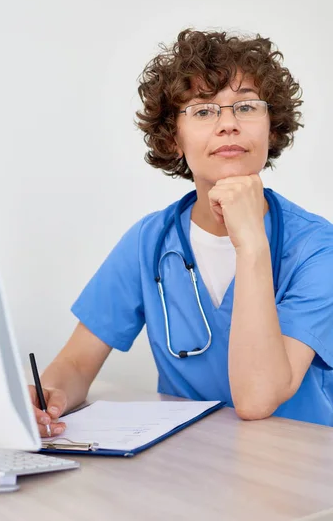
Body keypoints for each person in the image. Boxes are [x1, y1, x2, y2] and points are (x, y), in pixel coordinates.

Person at [29, 29, 333, 436]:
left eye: (245, 106)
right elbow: (77, 363)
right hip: (189, 469)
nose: (228, 124)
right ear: (173, 138)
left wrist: (251, 244)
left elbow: (257, 399)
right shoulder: (148, 242)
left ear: (272, 128)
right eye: (204, 111)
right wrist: (50, 395)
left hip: (295, 473)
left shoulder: (316, 247)